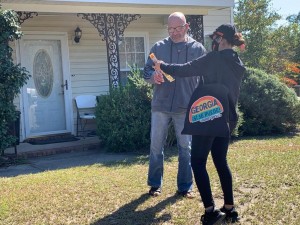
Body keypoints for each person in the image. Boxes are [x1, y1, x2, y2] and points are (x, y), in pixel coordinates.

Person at [153, 24, 246, 225]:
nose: (212, 42)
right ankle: (230, 208)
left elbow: (186, 69)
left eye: (214, 38)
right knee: (220, 161)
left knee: (197, 161)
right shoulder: (238, 62)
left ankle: (211, 211)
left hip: (208, 115)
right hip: (227, 119)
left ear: (221, 39)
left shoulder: (213, 59)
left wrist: (162, 65)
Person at [143, 12, 206, 198]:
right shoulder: (158, 47)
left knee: (185, 148)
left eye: (178, 28)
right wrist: (152, 77)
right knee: (156, 146)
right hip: (160, 106)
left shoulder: (198, 49)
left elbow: (205, 79)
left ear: (186, 26)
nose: (174, 32)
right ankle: (155, 185)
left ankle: (185, 187)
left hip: (186, 106)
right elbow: (146, 71)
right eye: (170, 28)